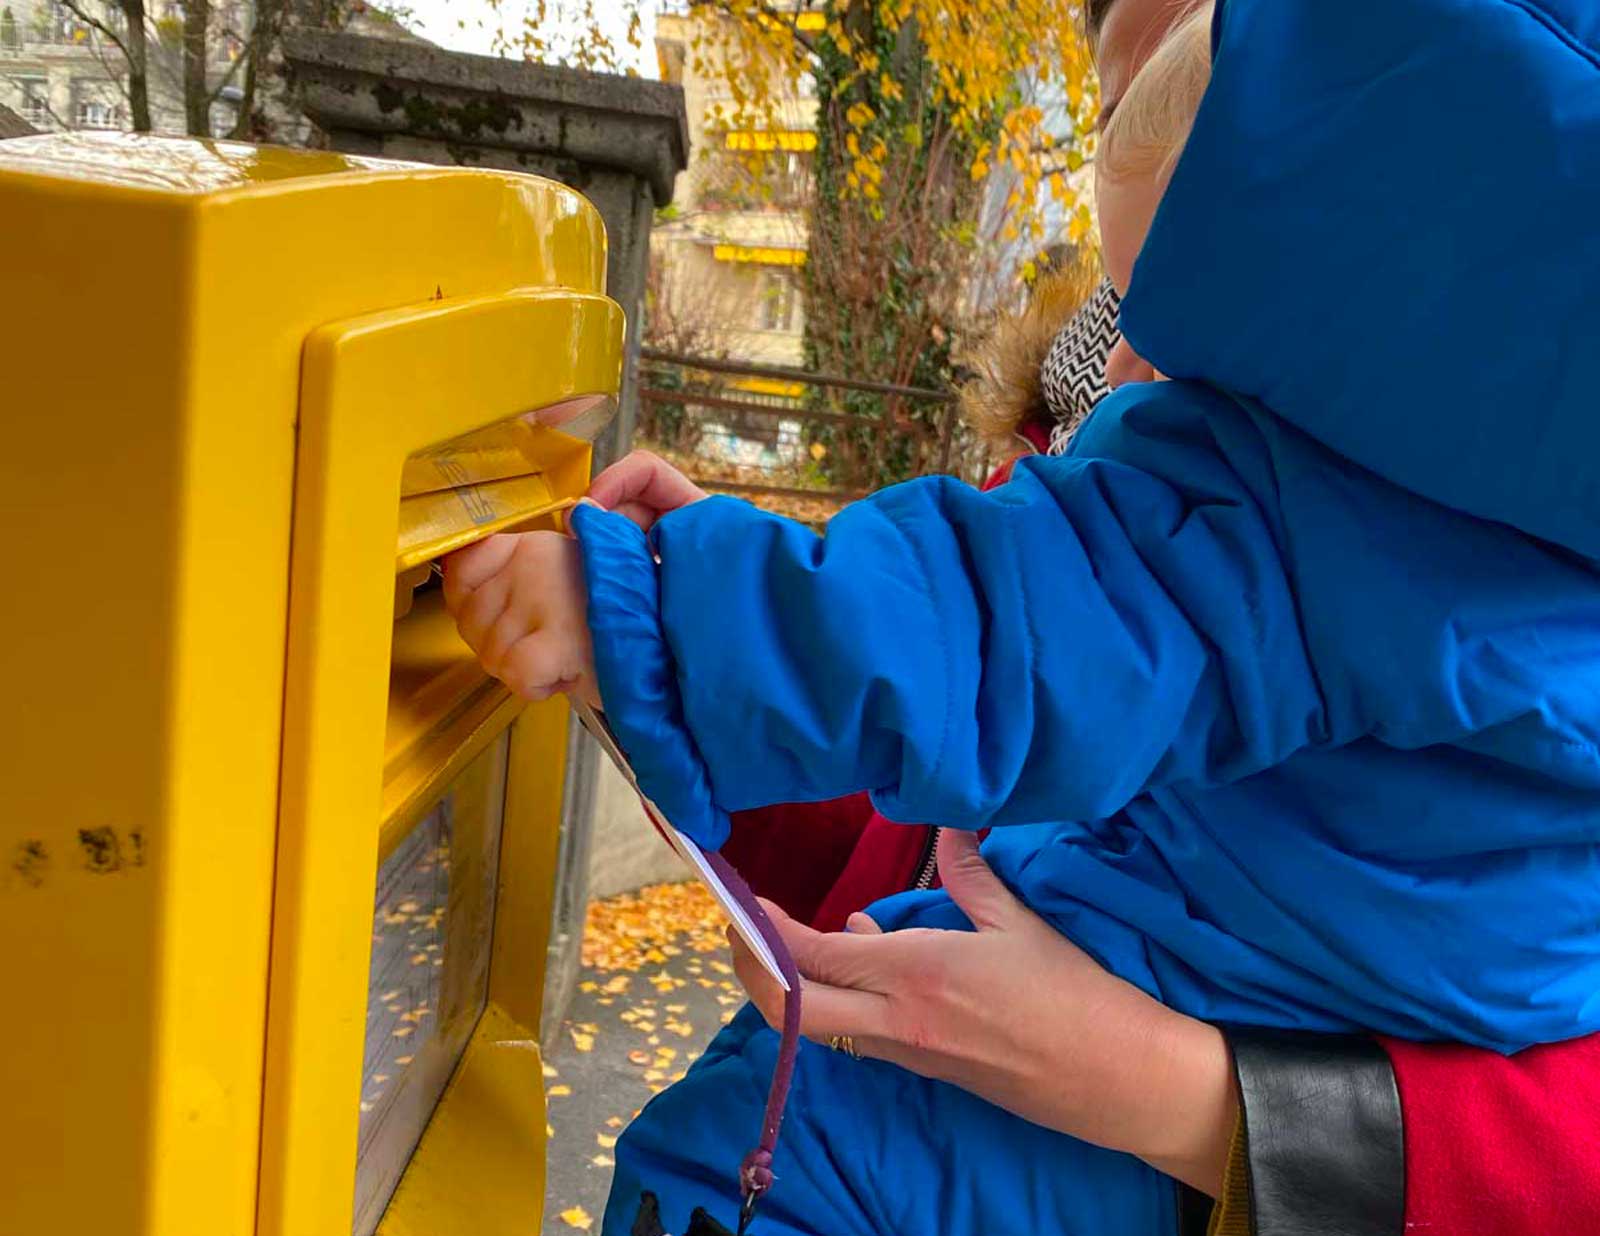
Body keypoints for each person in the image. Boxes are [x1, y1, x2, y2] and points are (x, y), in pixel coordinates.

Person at [448, 1, 1600, 1232]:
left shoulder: (1258, 502)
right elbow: (952, 703)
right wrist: (717, 605)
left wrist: (662, 611)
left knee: (740, 1158)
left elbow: (1003, 630)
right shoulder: (1535, 545)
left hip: (1115, 1067)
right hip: (1208, 1011)